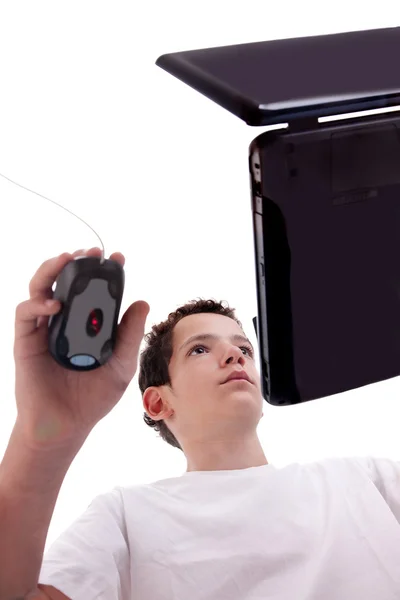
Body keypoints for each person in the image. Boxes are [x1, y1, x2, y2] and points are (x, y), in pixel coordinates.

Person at [1, 249, 400, 600]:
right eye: (200, 349)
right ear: (158, 401)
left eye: (244, 347)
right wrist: (44, 435)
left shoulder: (368, 480)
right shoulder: (125, 516)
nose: (235, 354)